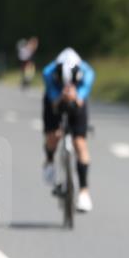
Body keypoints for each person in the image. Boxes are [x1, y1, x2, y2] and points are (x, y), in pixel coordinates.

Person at [41, 48, 96, 212]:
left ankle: (84, 192)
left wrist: (77, 97)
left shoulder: (87, 72)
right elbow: (51, 96)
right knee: (54, 136)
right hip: (55, 97)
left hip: (77, 96)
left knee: (80, 142)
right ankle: (50, 160)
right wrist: (58, 99)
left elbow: (84, 91)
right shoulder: (48, 72)